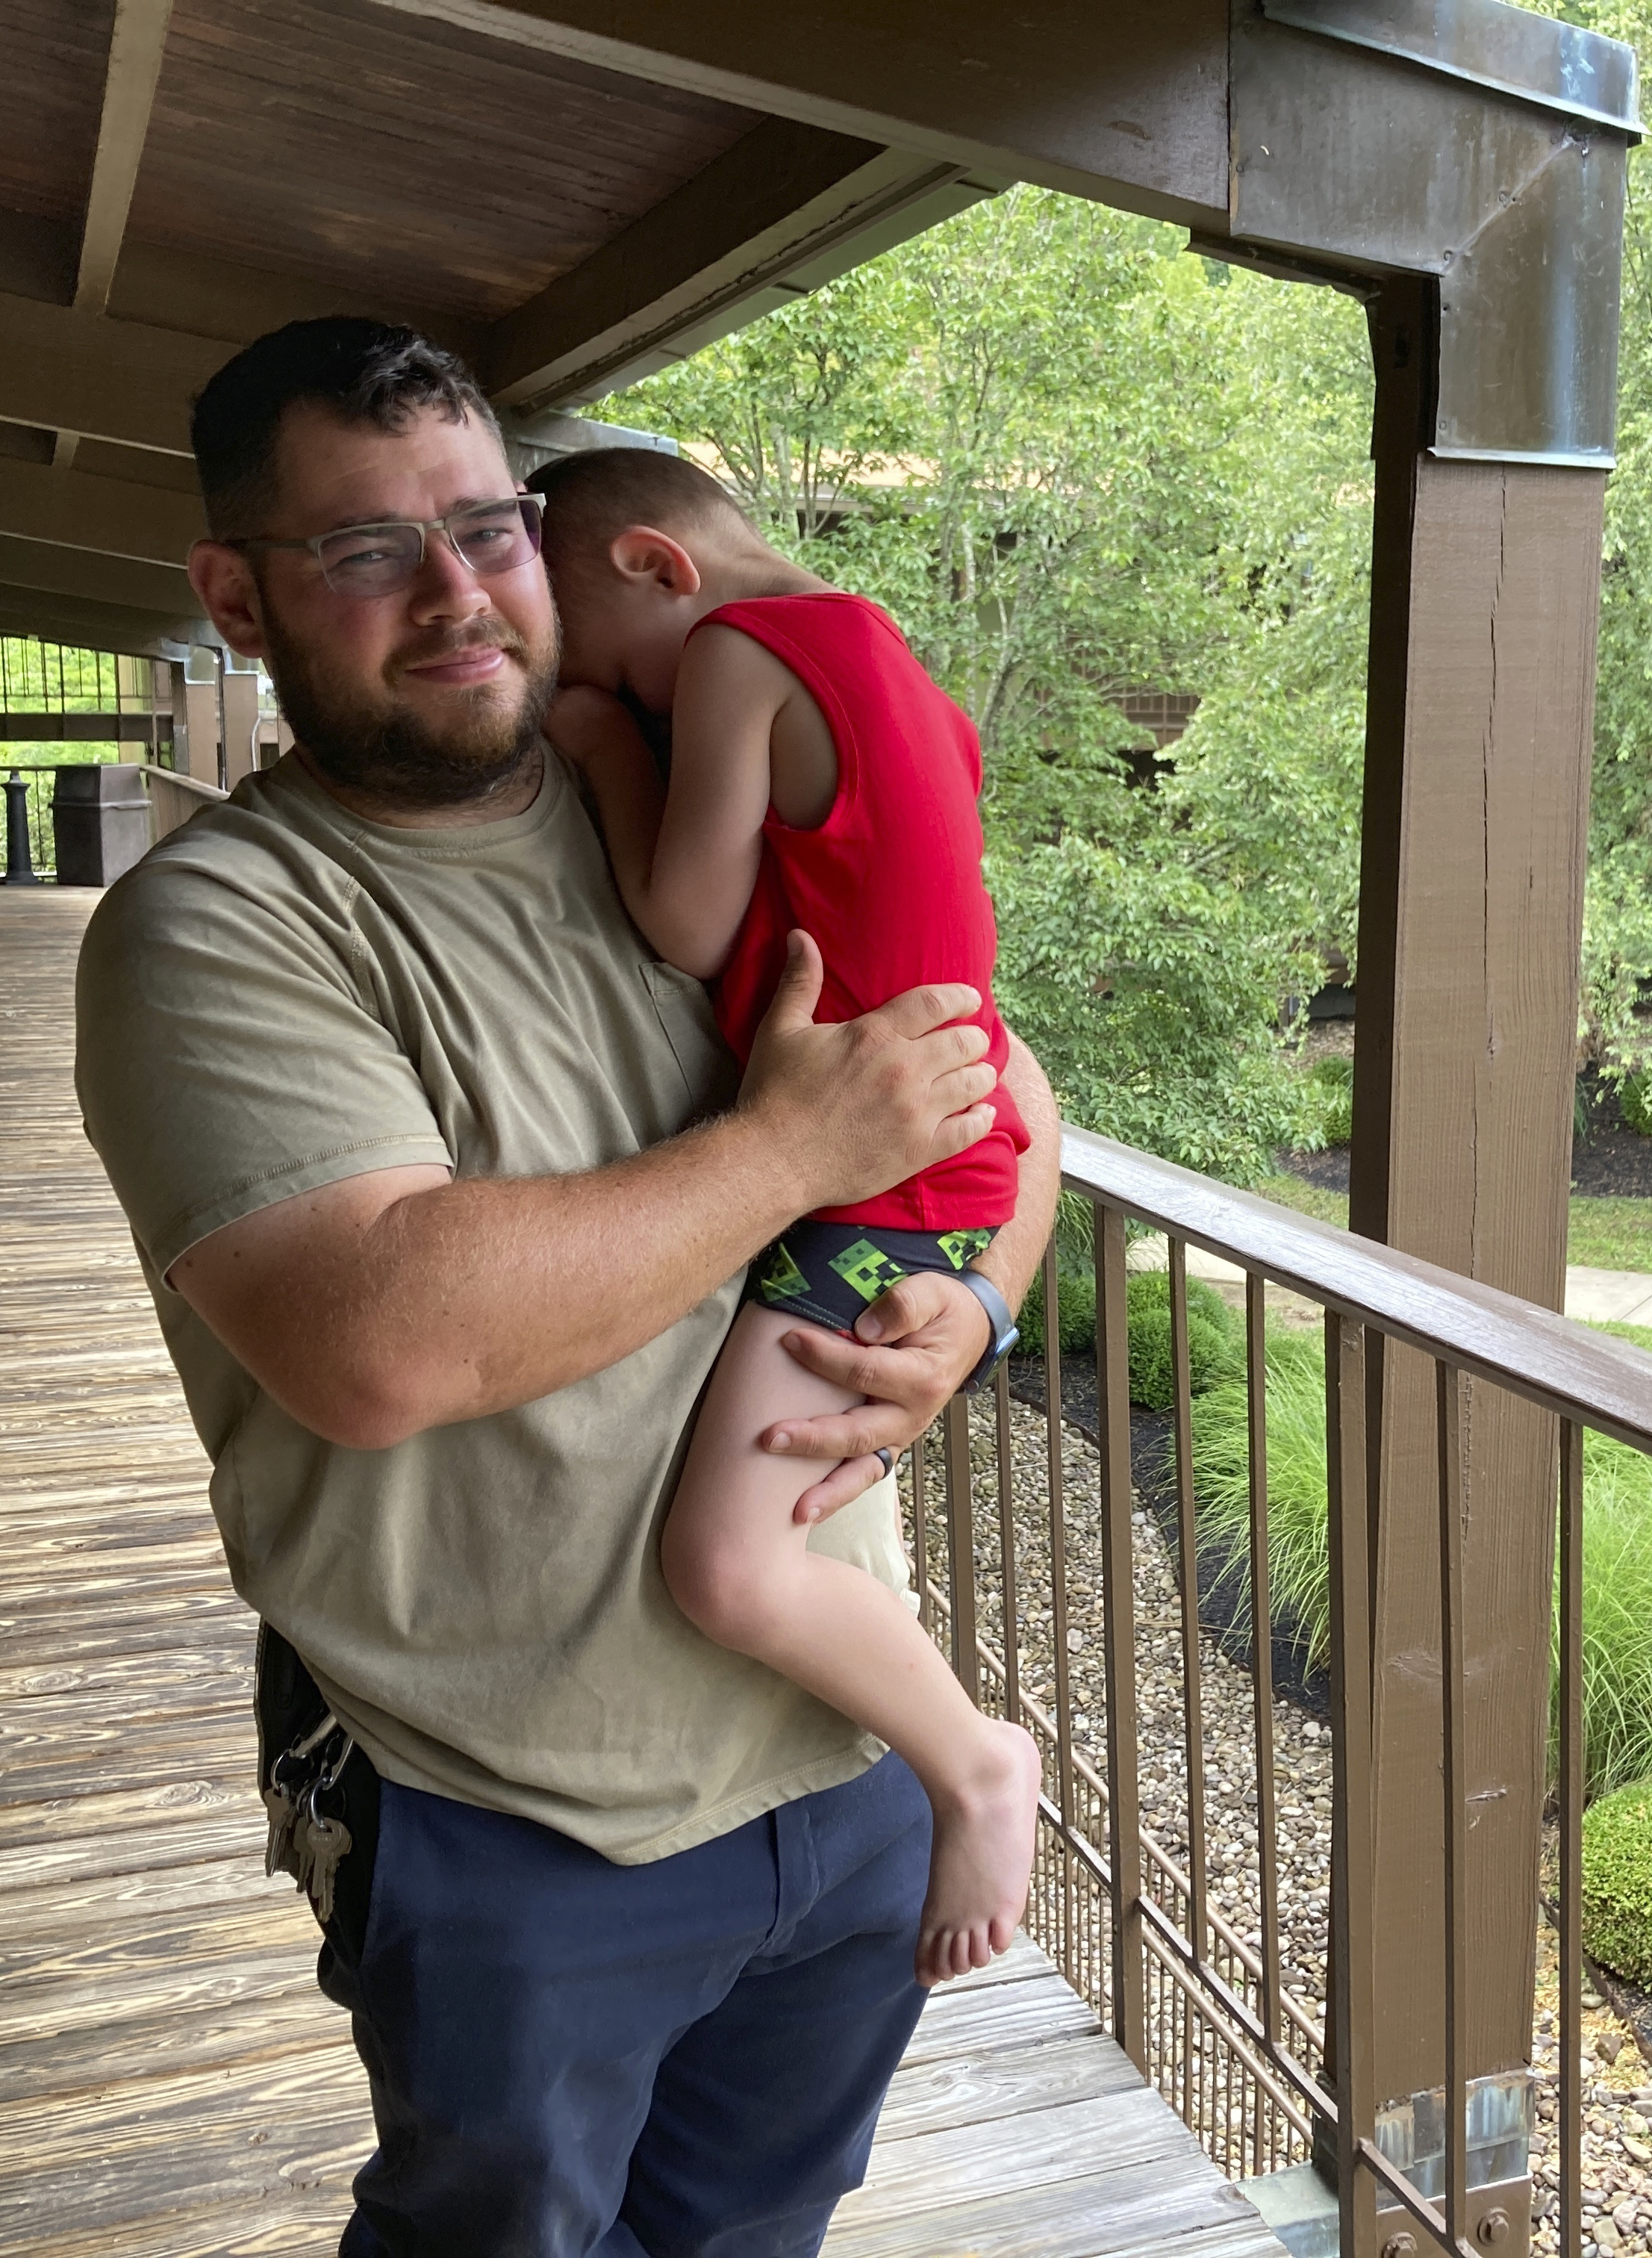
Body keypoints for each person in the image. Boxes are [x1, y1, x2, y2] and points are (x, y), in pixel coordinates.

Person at [72, 316, 1062, 2257]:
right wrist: (790, 1154)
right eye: (369, 550)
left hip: (845, 1762)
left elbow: (1007, 1097)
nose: (456, 595)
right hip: (515, 1825)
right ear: (235, 596)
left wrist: (978, 1309)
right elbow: (381, 1337)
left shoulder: (689, 772)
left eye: (488, 528)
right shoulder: (224, 925)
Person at [533, 447, 1044, 1988]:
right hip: (941, 1169)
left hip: (869, 1189)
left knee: (730, 1568)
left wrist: (606, 755)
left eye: (607, 664)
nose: (618, 698)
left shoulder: (743, 656)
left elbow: (686, 917)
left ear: (655, 569)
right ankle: (956, 1757)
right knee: (756, 1545)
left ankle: (971, 1762)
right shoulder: (908, 679)